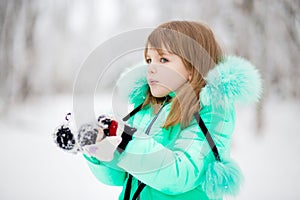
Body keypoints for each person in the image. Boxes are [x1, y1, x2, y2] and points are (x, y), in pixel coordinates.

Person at [62, 21, 262, 199]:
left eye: (163, 59)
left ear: (192, 70)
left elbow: (179, 174)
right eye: (149, 60)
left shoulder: (211, 113)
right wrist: (98, 143)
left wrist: (127, 139)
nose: (150, 67)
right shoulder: (146, 110)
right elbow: (121, 175)